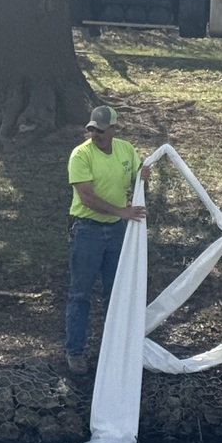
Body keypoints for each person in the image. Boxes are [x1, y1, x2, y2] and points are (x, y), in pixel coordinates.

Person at [65, 105, 151, 375]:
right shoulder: (81, 155)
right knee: (80, 294)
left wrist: (143, 177)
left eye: (101, 131)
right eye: (92, 130)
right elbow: (86, 197)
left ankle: (115, 350)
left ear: (114, 130)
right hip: (87, 230)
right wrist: (122, 212)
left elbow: (136, 177)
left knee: (115, 293)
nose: (96, 135)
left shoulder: (126, 149)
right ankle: (75, 352)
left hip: (115, 232)